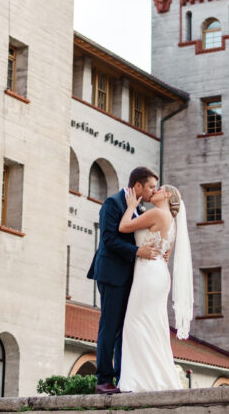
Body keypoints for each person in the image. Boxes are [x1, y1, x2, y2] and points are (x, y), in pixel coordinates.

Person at [86, 166, 162, 394]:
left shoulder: (138, 208)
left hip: (131, 277)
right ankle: (102, 380)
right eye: (150, 186)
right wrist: (137, 251)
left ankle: (122, 378)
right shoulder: (112, 203)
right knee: (109, 327)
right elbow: (108, 240)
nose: (153, 191)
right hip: (111, 274)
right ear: (137, 185)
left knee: (124, 328)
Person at [116, 184, 194, 393]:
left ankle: (140, 380)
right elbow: (166, 254)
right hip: (159, 271)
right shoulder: (173, 223)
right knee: (154, 324)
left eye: (159, 189)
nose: (155, 191)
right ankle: (155, 376)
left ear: (168, 195)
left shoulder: (157, 213)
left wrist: (131, 206)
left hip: (148, 272)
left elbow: (124, 227)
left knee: (136, 323)